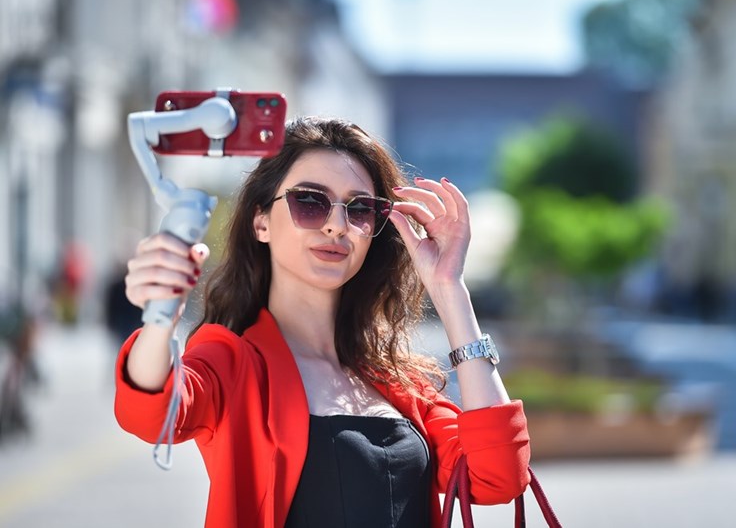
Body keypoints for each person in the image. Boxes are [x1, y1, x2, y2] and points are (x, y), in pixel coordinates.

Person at [114, 117, 531, 527]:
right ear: (261, 222)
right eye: (310, 202)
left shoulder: (400, 383)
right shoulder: (234, 362)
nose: (337, 225)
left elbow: (498, 477)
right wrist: (160, 319)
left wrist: (449, 288)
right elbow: (150, 413)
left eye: (360, 209)